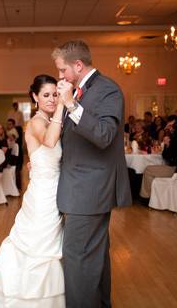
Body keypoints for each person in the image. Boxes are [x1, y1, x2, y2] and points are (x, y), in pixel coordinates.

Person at [0, 74, 65, 307]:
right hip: (42, 197)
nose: (52, 99)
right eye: (46, 95)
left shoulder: (51, 121)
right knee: (41, 248)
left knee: (48, 248)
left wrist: (37, 162)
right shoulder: (37, 122)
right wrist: (62, 105)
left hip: (52, 190)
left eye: (55, 94)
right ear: (35, 97)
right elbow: (50, 143)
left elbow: (51, 154)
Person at [52, 40, 131, 308]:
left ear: (78, 65)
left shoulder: (107, 90)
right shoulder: (81, 91)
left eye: (63, 70)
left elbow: (104, 135)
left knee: (77, 259)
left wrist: (72, 106)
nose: (61, 76)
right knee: (93, 257)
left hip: (89, 190)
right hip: (79, 187)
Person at [140, 115, 177, 198]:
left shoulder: (175, 137)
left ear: (176, 124)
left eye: (171, 126)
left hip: (176, 170)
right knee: (154, 168)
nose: (170, 128)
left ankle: (147, 197)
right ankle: (156, 195)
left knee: (148, 170)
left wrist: (167, 145)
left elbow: (167, 157)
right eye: (169, 126)